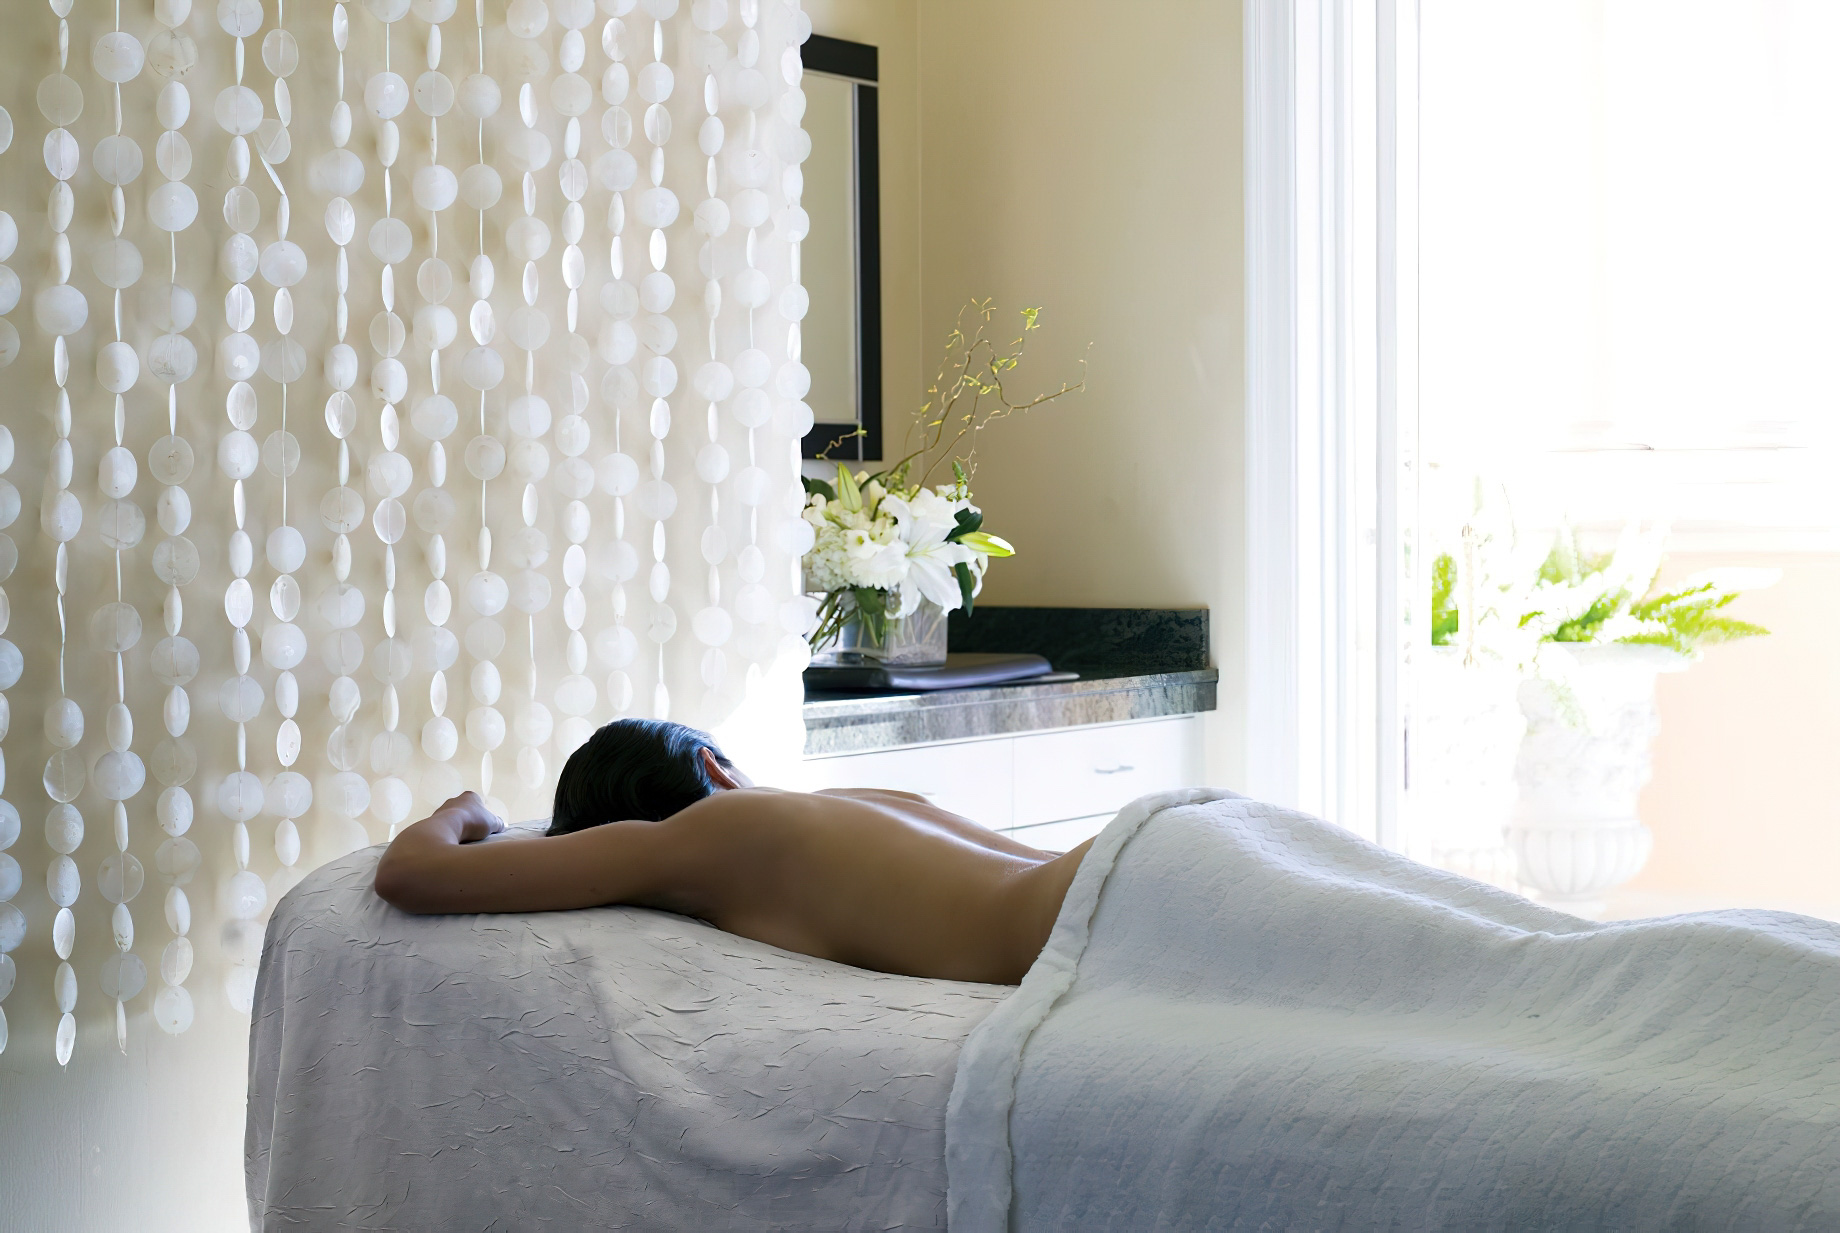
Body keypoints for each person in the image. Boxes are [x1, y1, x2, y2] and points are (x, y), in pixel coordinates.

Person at [373, 719, 1090, 985]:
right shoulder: (857, 800)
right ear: (714, 766)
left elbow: (411, 871)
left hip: (1081, 916)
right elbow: (408, 877)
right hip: (1099, 875)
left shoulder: (712, 836)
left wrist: (464, 809)